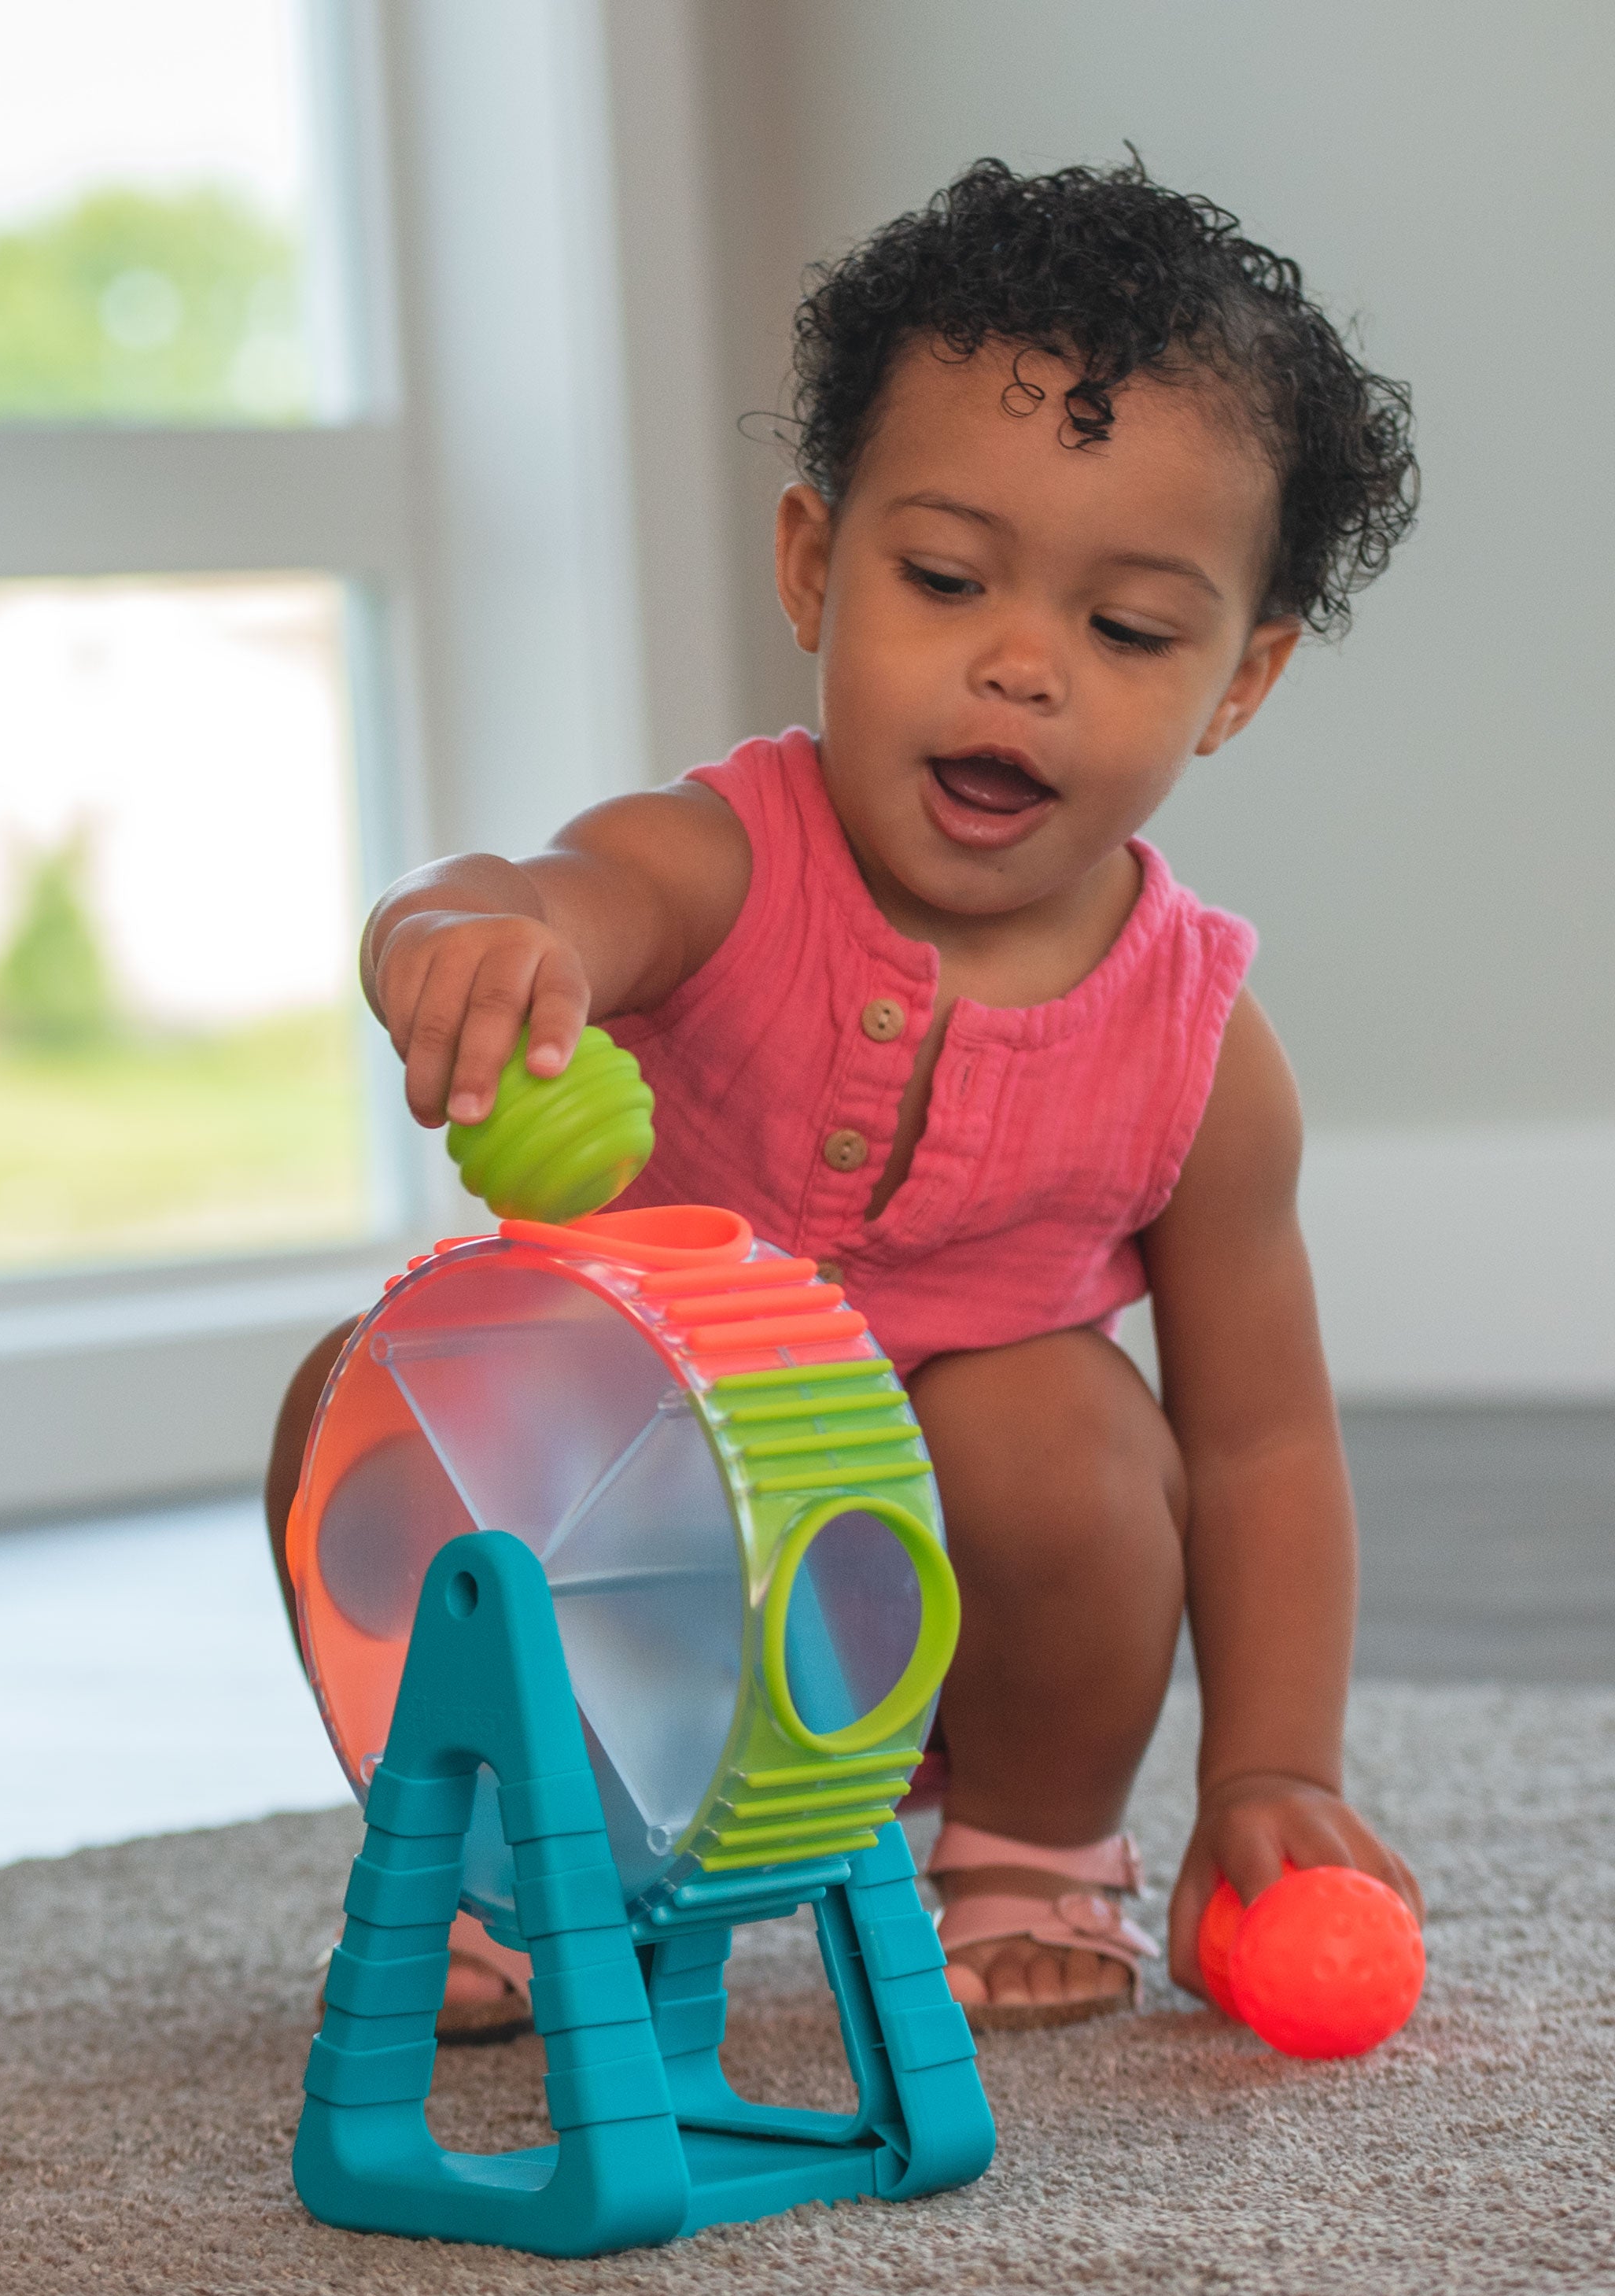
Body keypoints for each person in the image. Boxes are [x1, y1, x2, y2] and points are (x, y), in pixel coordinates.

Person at [267, 157, 1425, 2037]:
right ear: (817, 562)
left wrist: (1269, 1769)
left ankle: (1031, 1847)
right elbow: (536, 891)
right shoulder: (723, 866)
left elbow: (1269, 1450)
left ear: (1240, 680)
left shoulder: (1204, 1052)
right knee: (361, 1399)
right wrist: (464, 940)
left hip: (959, 1607)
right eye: (946, 578)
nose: (1022, 663)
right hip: (650, 1536)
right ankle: (515, 1839)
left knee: (1061, 1433)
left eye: (1130, 631)